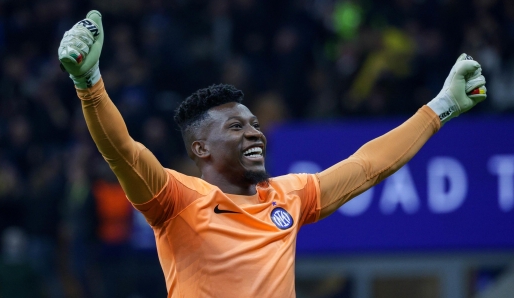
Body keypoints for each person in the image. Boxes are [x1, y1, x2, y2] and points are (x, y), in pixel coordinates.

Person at [58, 11, 487, 298]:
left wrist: (441, 106)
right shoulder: (177, 201)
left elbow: (369, 165)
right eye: (236, 126)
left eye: (255, 124)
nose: (254, 133)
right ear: (200, 148)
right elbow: (123, 152)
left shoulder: (290, 196)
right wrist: (89, 80)